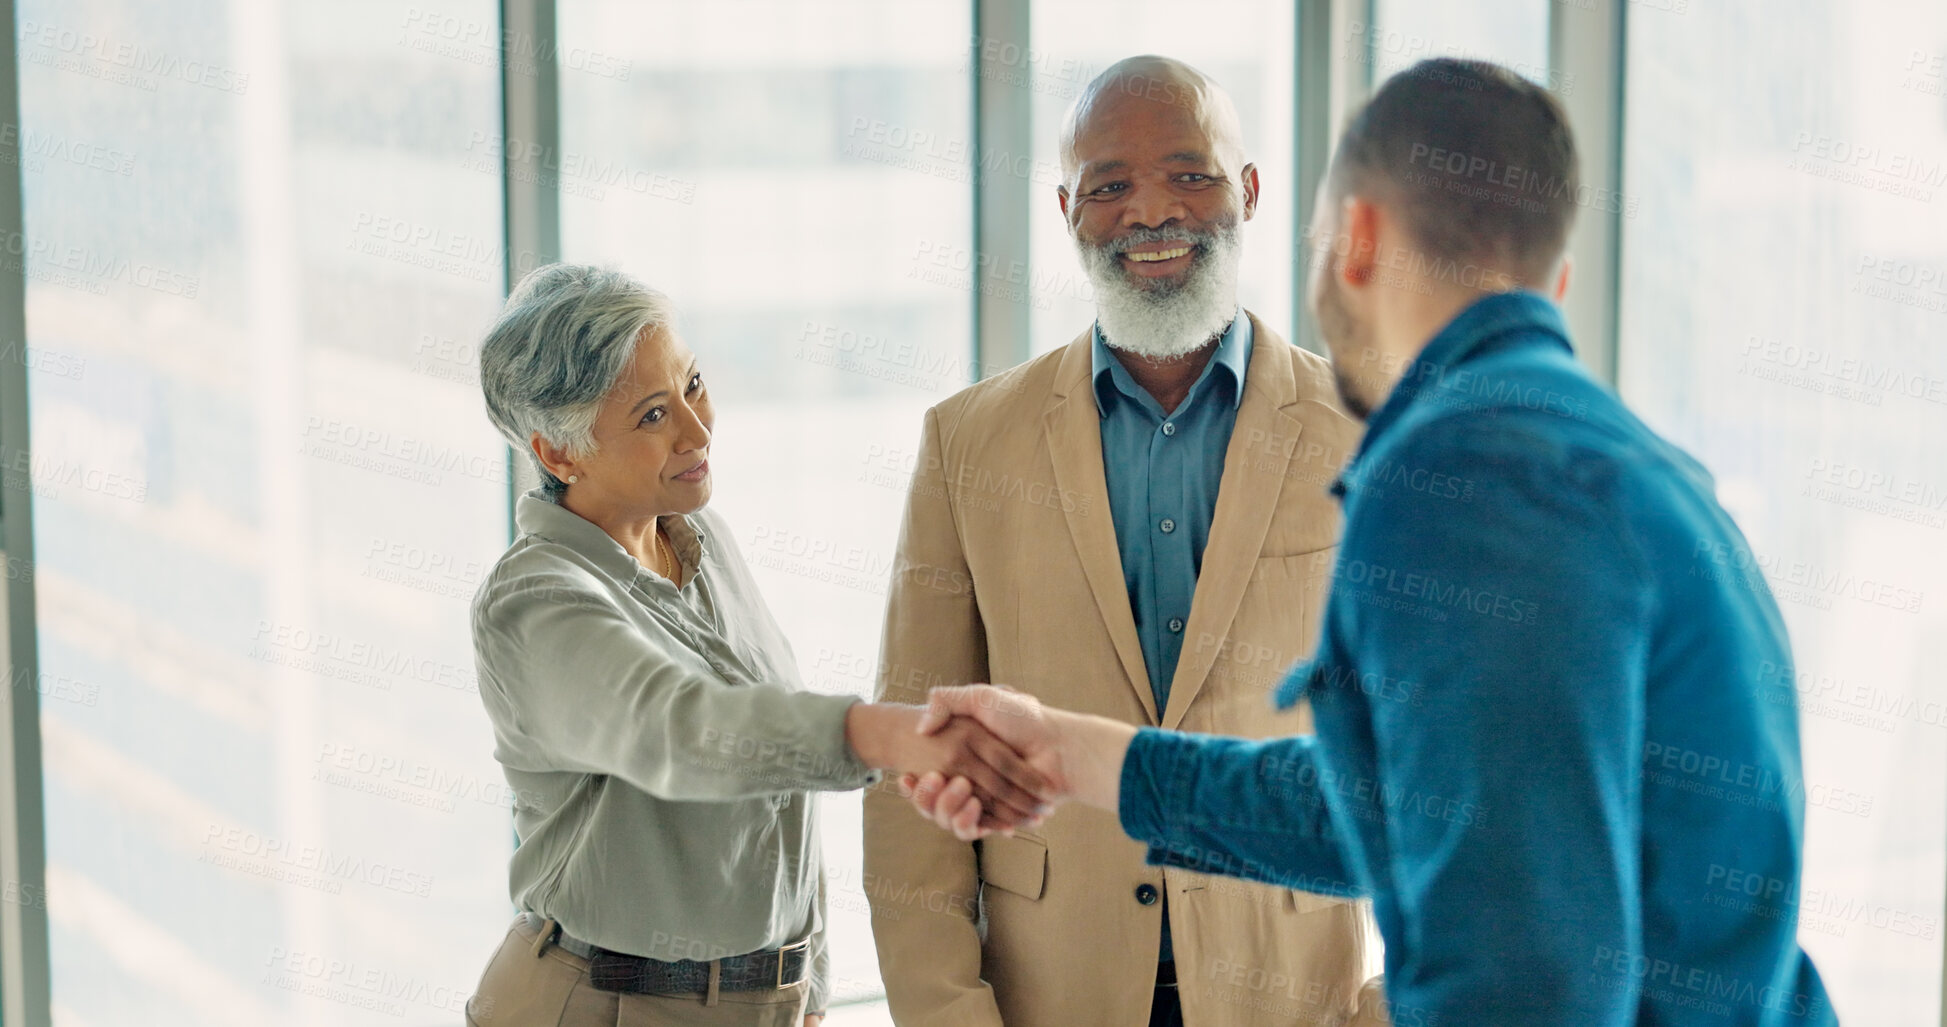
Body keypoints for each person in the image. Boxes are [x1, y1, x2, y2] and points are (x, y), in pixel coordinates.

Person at [905, 58, 1836, 1026]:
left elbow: (1529, 978)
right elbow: (1401, 803)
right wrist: (1073, 753)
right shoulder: (1624, 466)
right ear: (1552, 280)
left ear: (1354, 238)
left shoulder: (1455, 476)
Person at [864, 56, 1380, 1027]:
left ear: (1251, 191)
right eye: (1110, 186)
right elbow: (912, 777)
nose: (1151, 212)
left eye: (1190, 173)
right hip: (1048, 999)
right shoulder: (968, 443)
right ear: (1068, 210)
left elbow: (1458, 764)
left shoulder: (1369, 434)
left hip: (1297, 1000)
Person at [462, 264, 1048, 1027]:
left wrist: (807, 981)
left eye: (693, 383)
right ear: (559, 452)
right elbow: (694, 733)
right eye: (650, 415)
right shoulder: (533, 603)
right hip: (606, 1004)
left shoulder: (697, 536)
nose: (697, 429)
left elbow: (777, 787)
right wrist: (900, 735)